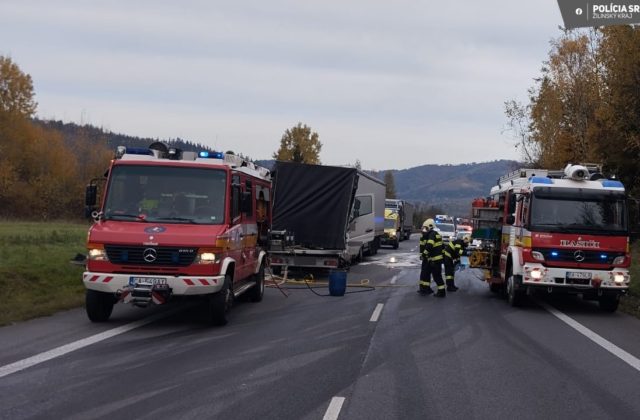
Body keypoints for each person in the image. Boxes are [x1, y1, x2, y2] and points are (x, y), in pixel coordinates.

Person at [418, 218, 446, 297]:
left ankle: (441, 292)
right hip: (434, 260)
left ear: (430, 227)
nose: (424, 230)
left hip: (435, 260)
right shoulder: (434, 234)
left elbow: (429, 246)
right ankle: (426, 289)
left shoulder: (432, 235)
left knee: (437, 276)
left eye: (425, 228)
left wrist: (423, 255)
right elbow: (442, 247)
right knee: (427, 274)